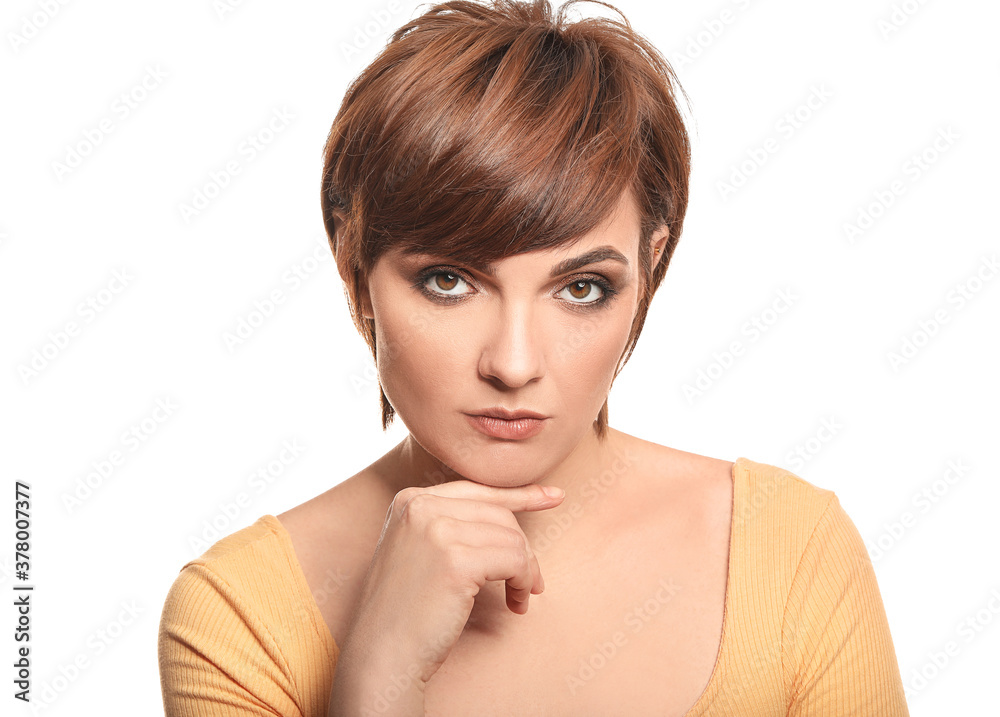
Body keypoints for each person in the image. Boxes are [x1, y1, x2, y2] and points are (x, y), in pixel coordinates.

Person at [157, 1, 910, 715]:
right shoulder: (241, 614)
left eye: (582, 287)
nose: (514, 364)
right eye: (448, 280)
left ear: (650, 267)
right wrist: (379, 669)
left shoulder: (789, 553)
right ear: (352, 264)